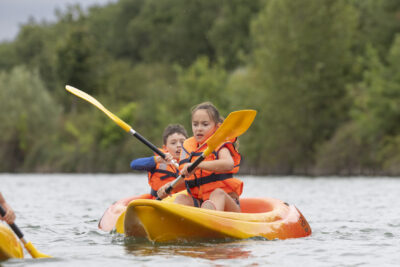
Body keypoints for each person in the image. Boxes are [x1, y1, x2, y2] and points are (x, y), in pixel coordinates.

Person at [157, 102, 243, 212]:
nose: (199, 128)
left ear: (216, 127)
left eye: (205, 124)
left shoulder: (220, 144)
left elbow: (228, 164)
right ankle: (181, 223)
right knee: (181, 198)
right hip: (202, 204)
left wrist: (198, 165)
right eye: (195, 124)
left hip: (227, 206)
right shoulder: (189, 148)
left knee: (217, 193)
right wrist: (170, 187)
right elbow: (188, 181)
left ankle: (210, 218)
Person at [130, 124, 188, 199]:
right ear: (165, 148)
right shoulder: (158, 162)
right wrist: (157, 160)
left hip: (181, 201)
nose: (179, 145)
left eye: (182, 142)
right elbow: (134, 165)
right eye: (173, 143)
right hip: (159, 201)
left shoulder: (191, 162)